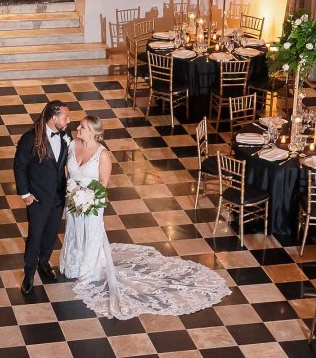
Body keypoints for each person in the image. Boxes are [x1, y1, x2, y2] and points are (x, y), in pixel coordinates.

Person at [60, 115, 231, 320]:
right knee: (73, 231)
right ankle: (72, 263)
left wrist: (86, 198)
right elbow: (68, 173)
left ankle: (89, 269)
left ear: (93, 132)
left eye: (82, 126)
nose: (78, 128)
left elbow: (103, 184)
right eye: (80, 125)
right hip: (73, 201)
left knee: (91, 235)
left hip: (92, 204)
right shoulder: (73, 146)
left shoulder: (102, 155)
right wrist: (72, 192)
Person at [13, 100, 71, 295]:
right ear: (54, 118)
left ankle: (43, 263)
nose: (68, 120)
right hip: (37, 198)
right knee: (35, 236)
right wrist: (26, 195)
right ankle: (29, 274)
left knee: (51, 234)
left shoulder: (65, 135)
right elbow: (19, 167)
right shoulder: (30, 139)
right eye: (66, 116)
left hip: (57, 197)